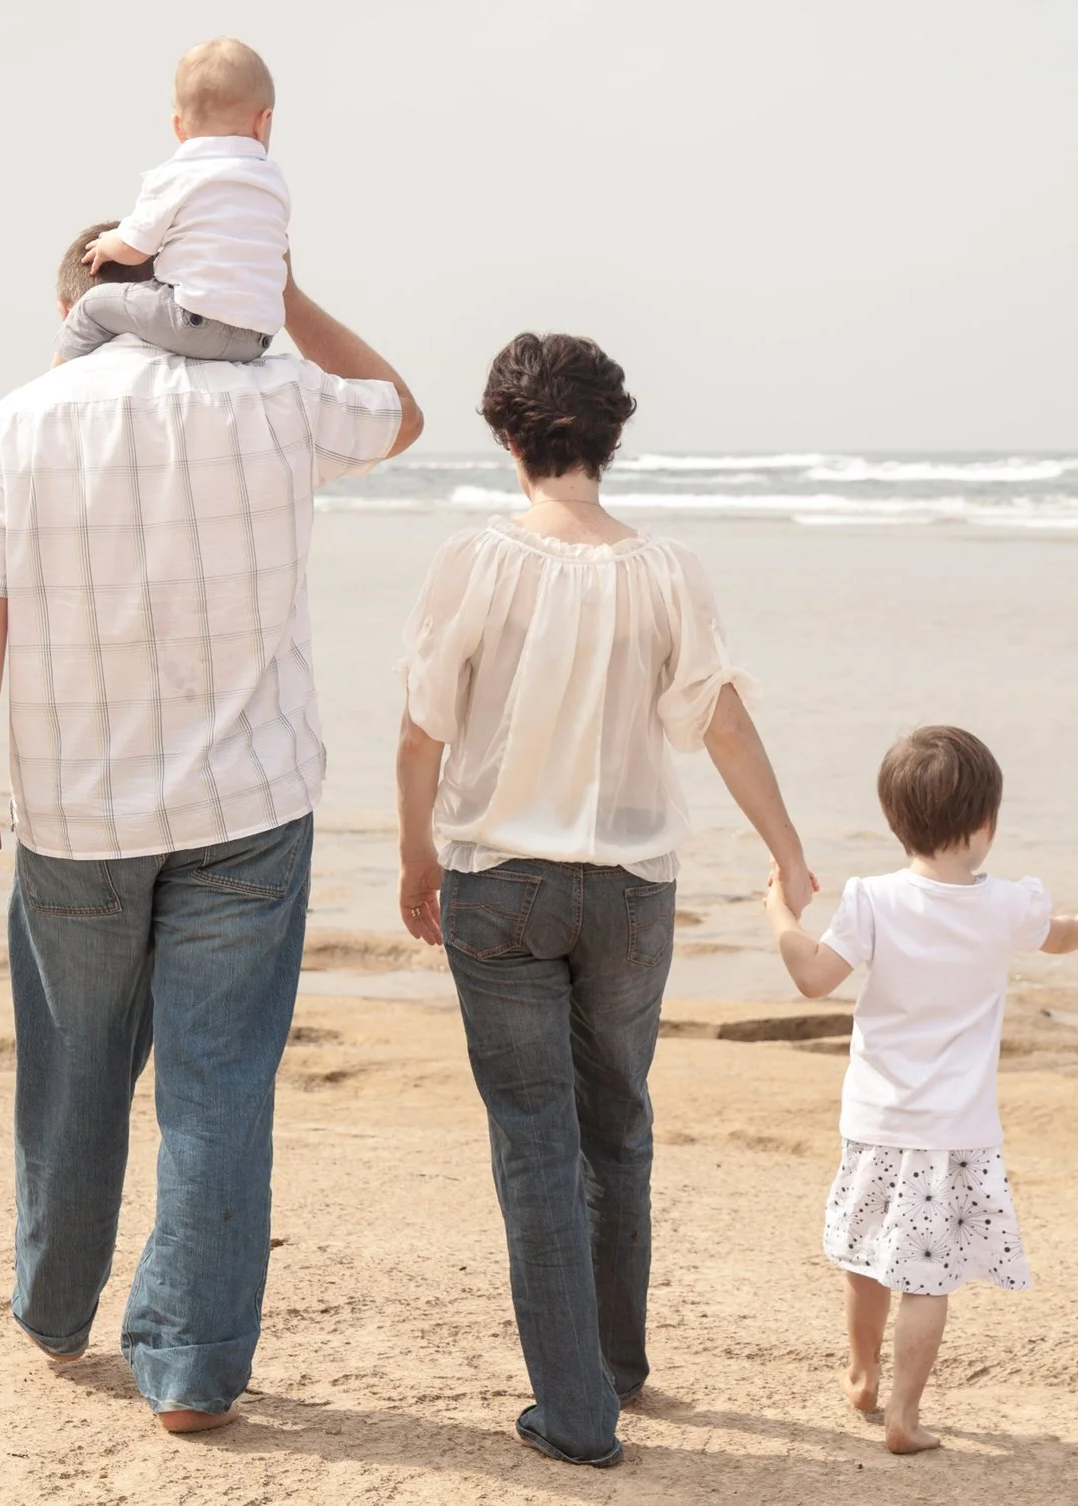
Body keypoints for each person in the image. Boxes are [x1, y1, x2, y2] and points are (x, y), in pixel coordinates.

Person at [0, 220, 422, 1435]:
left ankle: (53, 1309)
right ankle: (192, 1369)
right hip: (246, 809)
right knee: (217, 1087)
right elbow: (397, 409)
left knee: (75, 1065)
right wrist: (288, 293)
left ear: (75, 302)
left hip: (77, 809)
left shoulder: (25, 420)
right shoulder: (273, 398)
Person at [395, 333, 817, 1466]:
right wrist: (788, 850)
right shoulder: (665, 568)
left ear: (506, 435)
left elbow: (422, 730)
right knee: (616, 1123)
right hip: (631, 891)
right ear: (610, 436)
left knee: (536, 1141)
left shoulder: (475, 560)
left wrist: (412, 859)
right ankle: (614, 1368)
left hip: (502, 883)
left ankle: (577, 1412)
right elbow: (719, 719)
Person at [764, 725, 1078, 1454]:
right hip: (955, 1133)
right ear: (986, 825)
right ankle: (903, 1415)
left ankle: (860, 1376)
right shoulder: (1006, 906)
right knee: (926, 1280)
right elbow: (1060, 934)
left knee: (867, 1257)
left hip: (876, 1121)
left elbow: (812, 977)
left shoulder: (870, 901)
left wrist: (779, 911)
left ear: (896, 822)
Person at [58, 37, 288, 365]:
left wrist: (108, 244)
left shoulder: (178, 172)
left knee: (91, 306)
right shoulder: (272, 182)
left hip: (194, 324)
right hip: (256, 338)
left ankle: (55, 380)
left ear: (178, 127)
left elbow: (136, 248)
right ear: (262, 121)